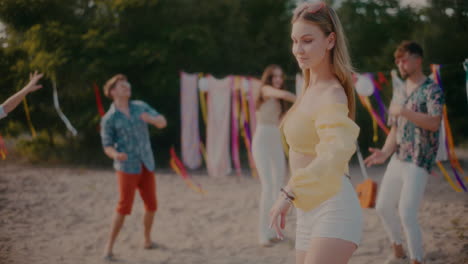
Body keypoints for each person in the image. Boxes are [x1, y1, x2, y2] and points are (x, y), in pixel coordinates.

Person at [269, 2, 362, 264]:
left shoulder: (332, 93)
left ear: (330, 40)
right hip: (308, 210)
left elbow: (332, 155)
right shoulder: (308, 89)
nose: (298, 49)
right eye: (295, 41)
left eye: (307, 41)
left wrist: (288, 192)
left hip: (334, 208)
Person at [364, 41, 444, 264]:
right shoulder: (399, 90)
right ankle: (398, 249)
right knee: (382, 206)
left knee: (407, 213)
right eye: (397, 60)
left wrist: (405, 111)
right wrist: (385, 152)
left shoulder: (432, 89)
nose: (400, 63)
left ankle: (417, 259)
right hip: (398, 157)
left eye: (404, 59)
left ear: (418, 60)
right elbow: (395, 129)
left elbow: (434, 123)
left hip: (420, 159)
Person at [100, 74, 167, 260]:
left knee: (152, 205)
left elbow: (162, 121)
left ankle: (147, 240)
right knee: (123, 207)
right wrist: (115, 155)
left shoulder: (140, 107)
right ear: (112, 92)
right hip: (126, 167)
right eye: (122, 86)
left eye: (127, 84)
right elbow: (107, 146)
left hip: (146, 162)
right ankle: (109, 247)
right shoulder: (109, 119)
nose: (127, 87)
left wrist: (154, 121)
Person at [252, 64, 296, 247]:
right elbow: (285, 94)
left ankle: (274, 230)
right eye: (274, 77)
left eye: (280, 77)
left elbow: (283, 121)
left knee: (278, 186)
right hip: (262, 140)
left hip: (275, 139)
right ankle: (263, 233)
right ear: (268, 78)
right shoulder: (265, 90)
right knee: (267, 186)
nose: (278, 80)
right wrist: (303, 99)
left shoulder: (280, 101)